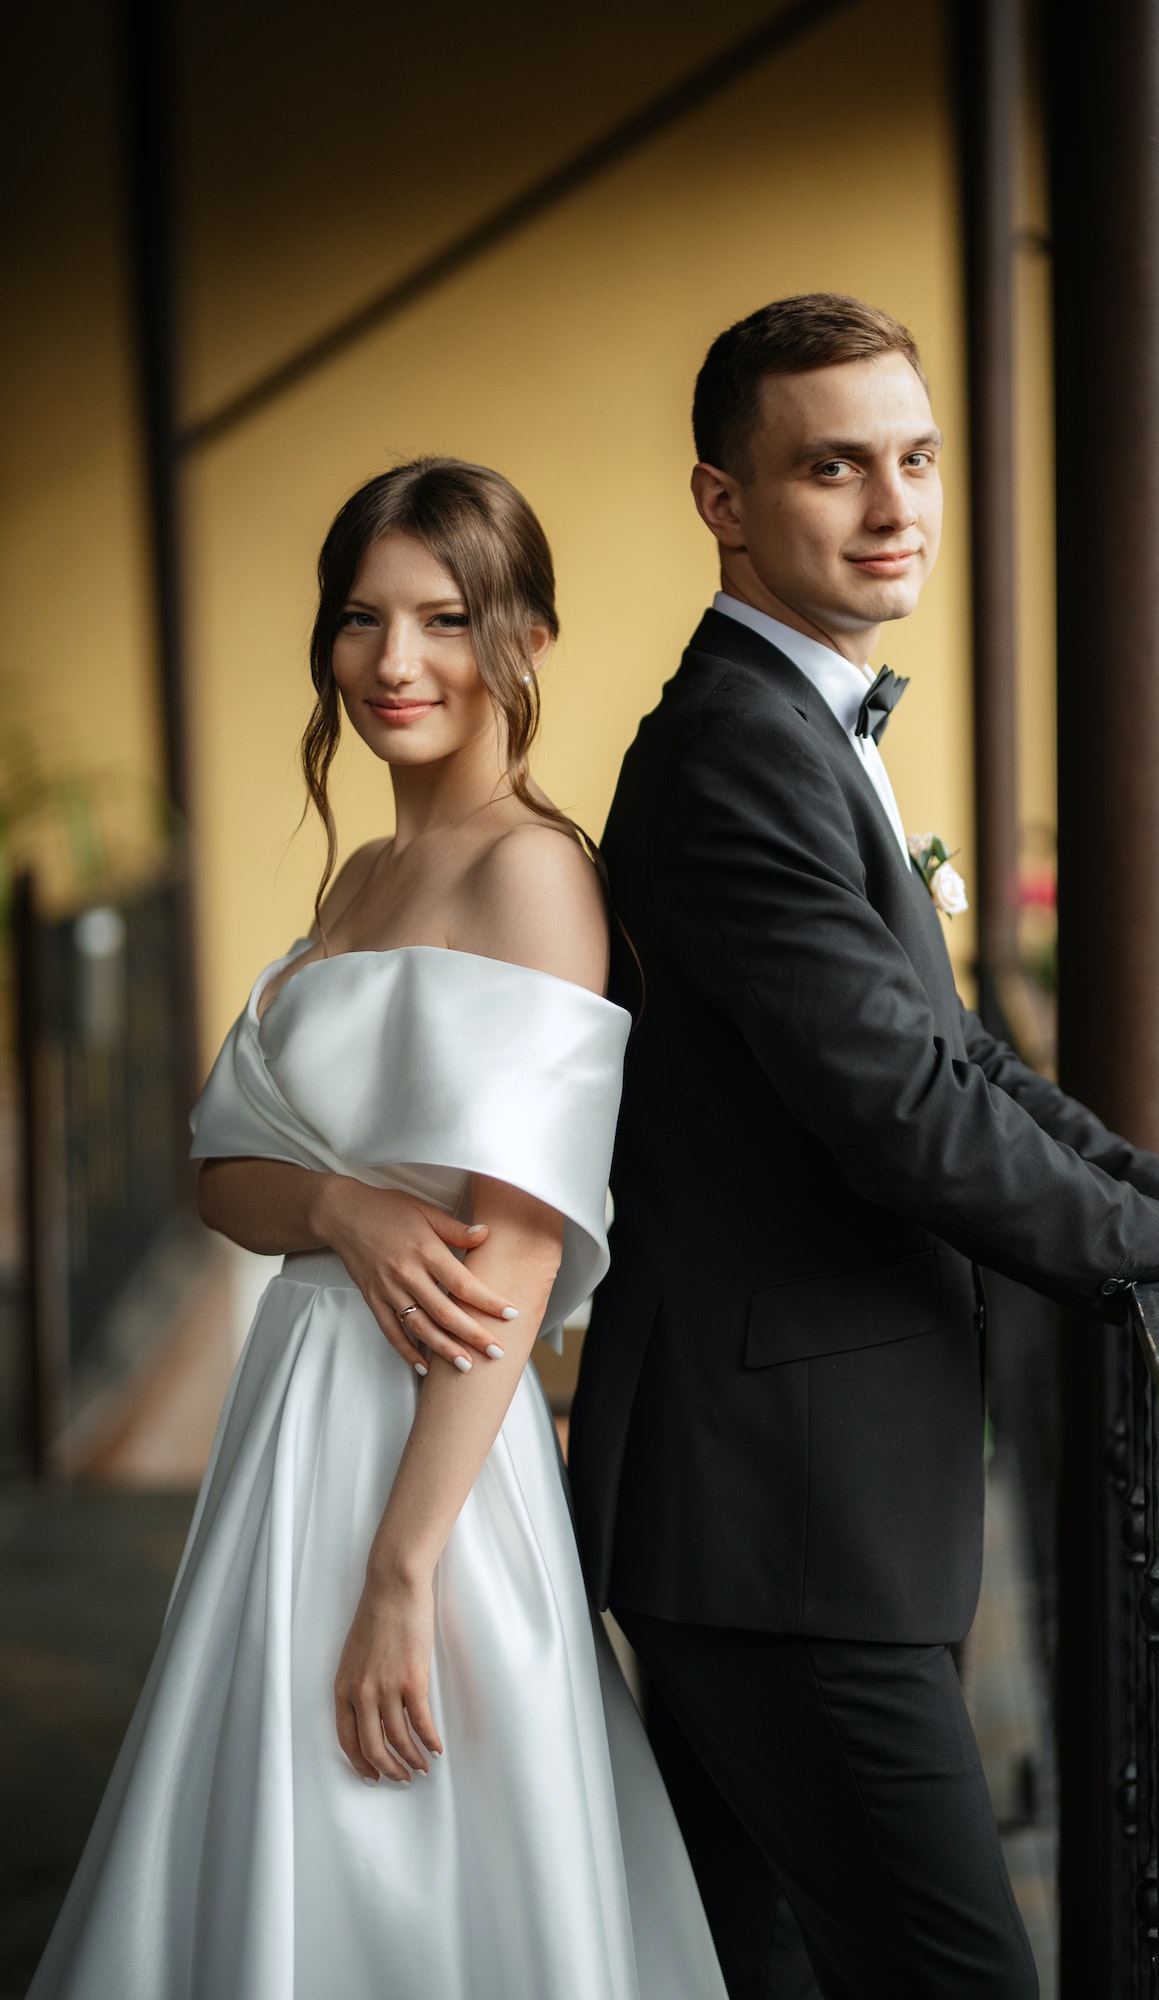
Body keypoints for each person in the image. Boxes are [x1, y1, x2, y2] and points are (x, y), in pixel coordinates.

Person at [567, 294, 1159, 2000]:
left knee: (756, 1965)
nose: (896, 503)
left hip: (793, 1502)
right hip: (779, 1517)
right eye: (833, 466)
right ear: (723, 500)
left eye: (915, 457)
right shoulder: (739, 752)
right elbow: (905, 1114)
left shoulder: (801, 729)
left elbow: (956, 1052)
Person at [30, 459, 726, 2000]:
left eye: (444, 618)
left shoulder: (538, 877)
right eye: (360, 620)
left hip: (433, 1458)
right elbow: (222, 1173)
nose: (394, 663)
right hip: (293, 1425)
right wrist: (341, 1205)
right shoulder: (358, 878)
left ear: (527, 639)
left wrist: (405, 1572)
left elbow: (521, 1254)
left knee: (408, 1845)